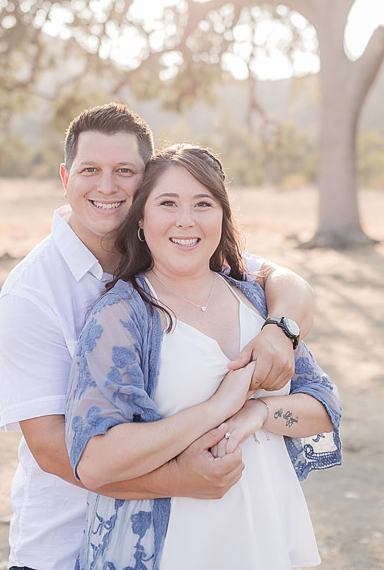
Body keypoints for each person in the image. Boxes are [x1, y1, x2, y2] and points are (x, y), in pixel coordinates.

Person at [0, 103, 316, 570]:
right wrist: (180, 480)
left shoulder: (174, 250)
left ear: (146, 182)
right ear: (66, 178)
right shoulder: (31, 294)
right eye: (90, 170)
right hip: (64, 543)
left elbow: (285, 281)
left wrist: (279, 331)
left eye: (124, 171)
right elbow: (52, 449)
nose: (107, 186)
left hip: (184, 538)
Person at [65, 144, 342, 570]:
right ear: (141, 218)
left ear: (222, 215)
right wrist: (217, 407)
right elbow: (96, 461)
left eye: (203, 204)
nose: (186, 220)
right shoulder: (123, 315)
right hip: (171, 549)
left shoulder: (256, 299)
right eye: (168, 203)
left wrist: (256, 413)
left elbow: (323, 407)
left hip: (265, 538)